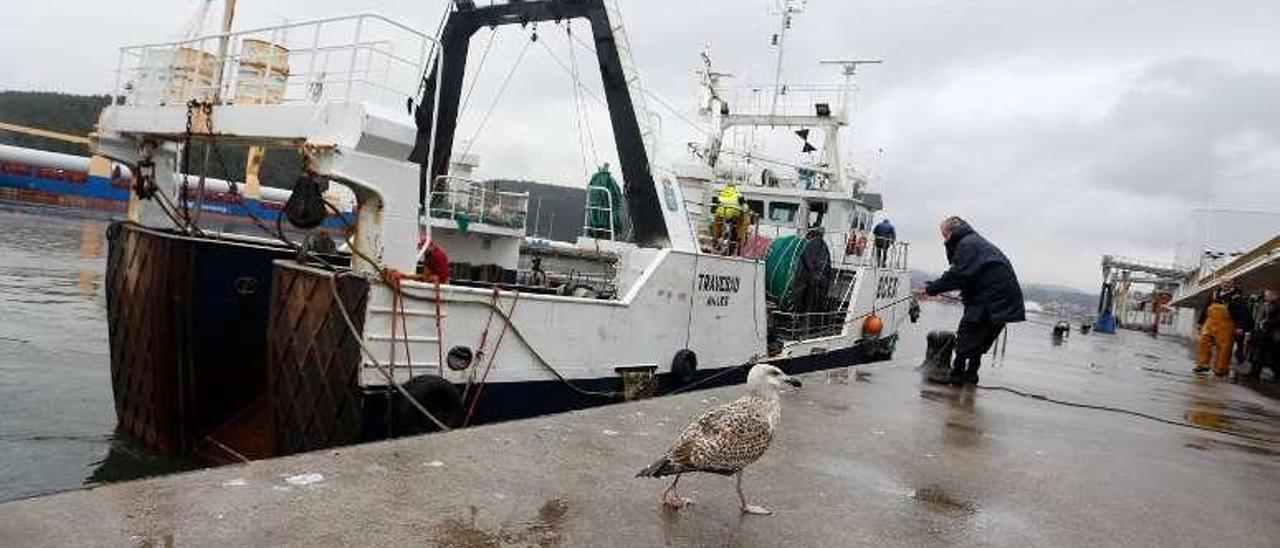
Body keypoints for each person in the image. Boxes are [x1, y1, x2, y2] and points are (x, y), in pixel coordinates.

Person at [924, 216, 1026, 386]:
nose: (945, 240)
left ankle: (956, 375)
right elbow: (972, 275)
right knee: (978, 338)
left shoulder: (967, 245)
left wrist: (931, 289)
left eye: (944, 235)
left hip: (991, 299)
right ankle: (971, 375)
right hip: (1001, 298)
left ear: (951, 232)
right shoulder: (975, 242)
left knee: (967, 333)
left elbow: (958, 274)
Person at [1195, 277, 1249, 376]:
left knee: (1224, 348)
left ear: (1232, 284)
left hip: (1226, 326)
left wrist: (1240, 327)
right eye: (1224, 282)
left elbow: (1243, 314)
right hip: (1210, 323)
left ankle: (1220, 369)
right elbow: (1205, 309)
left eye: (1228, 282)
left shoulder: (1237, 297)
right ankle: (1203, 364)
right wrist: (1200, 322)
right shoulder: (1213, 294)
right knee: (1204, 341)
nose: (1225, 284)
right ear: (1220, 283)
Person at [792, 227, 832, 332]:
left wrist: (812, 274)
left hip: (811, 283)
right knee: (811, 307)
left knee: (808, 305)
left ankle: (802, 325)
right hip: (815, 283)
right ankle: (806, 326)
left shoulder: (815, 244)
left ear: (811, 235)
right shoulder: (821, 245)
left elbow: (805, 256)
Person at [1247, 289, 1279, 380]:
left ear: (1274, 296)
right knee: (1258, 353)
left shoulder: (1277, 306)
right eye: (1265, 296)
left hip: (1272, 335)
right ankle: (1254, 372)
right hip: (1262, 333)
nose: (1265, 298)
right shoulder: (1265, 305)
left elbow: (1277, 320)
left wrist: (1266, 322)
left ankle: (1276, 374)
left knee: (1271, 356)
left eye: (1267, 296)